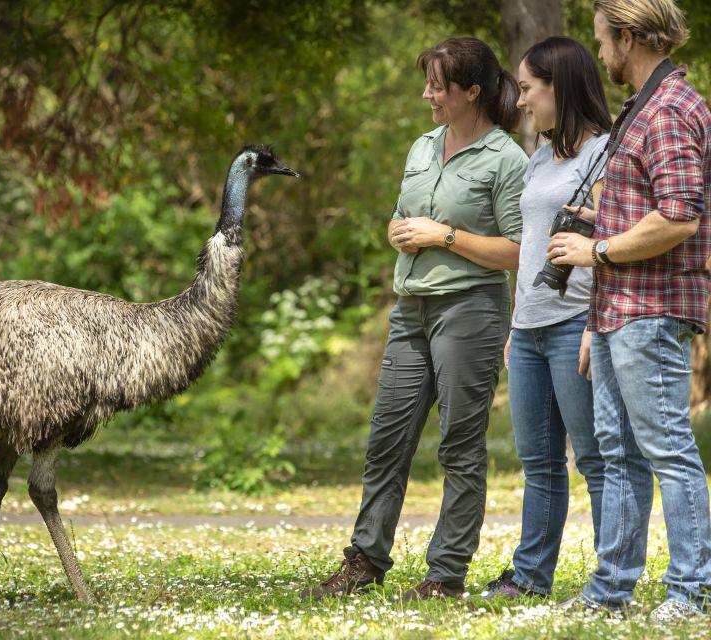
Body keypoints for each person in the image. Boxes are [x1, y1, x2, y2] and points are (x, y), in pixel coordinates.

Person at [301, 36, 528, 601]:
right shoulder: (422, 147)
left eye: (438, 85)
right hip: (411, 310)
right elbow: (405, 217)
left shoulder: (506, 158)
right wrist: (398, 230)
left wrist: (444, 236)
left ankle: (445, 574)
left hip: (471, 308)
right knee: (387, 438)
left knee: (459, 443)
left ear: (471, 91)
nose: (427, 94)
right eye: (426, 81)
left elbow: (522, 250)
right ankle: (365, 561)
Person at [548, 0, 711, 621]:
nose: (600, 54)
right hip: (618, 310)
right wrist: (595, 316)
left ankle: (693, 590)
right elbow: (642, 209)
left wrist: (596, 249)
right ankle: (611, 588)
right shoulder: (638, 109)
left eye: (602, 41)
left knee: (667, 448)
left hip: (653, 307)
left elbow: (678, 217)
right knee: (618, 453)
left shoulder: (669, 111)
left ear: (629, 36)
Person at [479, 37, 612, 601]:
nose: (523, 101)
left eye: (530, 88)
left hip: (576, 322)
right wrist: (516, 325)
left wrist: (592, 326)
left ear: (561, 86)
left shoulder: (605, 154)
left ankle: (614, 578)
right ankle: (531, 578)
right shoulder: (540, 154)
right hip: (530, 327)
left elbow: (612, 248)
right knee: (539, 463)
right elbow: (532, 245)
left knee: (596, 460)